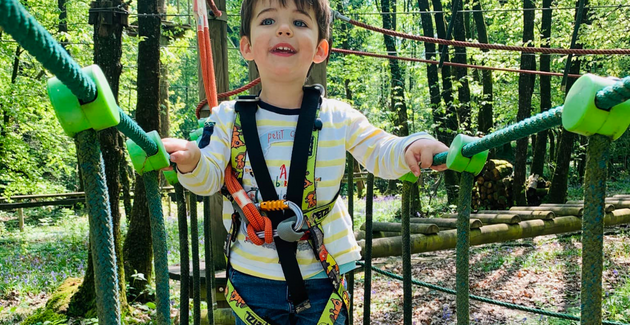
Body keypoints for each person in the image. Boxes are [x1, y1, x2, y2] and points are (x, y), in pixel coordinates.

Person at [162, 0, 448, 323]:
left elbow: (382, 150)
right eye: (268, 21)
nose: (284, 29)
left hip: (322, 278)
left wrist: (414, 144)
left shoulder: (338, 117)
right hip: (253, 279)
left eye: (299, 23)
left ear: (320, 49)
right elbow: (209, 176)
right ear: (246, 46)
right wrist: (191, 160)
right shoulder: (227, 119)